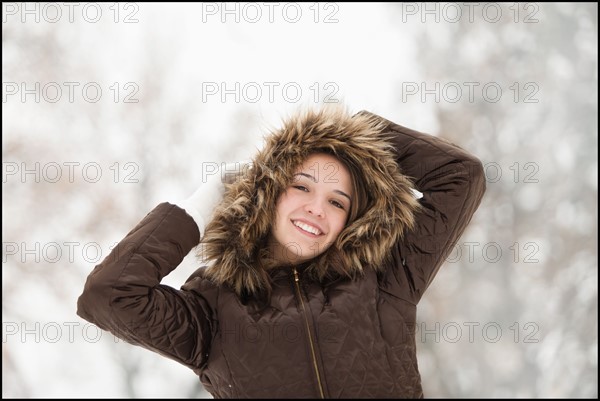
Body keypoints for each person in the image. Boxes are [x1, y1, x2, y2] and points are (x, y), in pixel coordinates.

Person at [77, 105, 486, 398]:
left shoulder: (383, 276)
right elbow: (109, 295)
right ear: (268, 194)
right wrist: (205, 202)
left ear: (350, 220)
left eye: (338, 202)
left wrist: (357, 131)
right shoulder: (212, 308)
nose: (316, 208)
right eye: (302, 186)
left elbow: (460, 177)